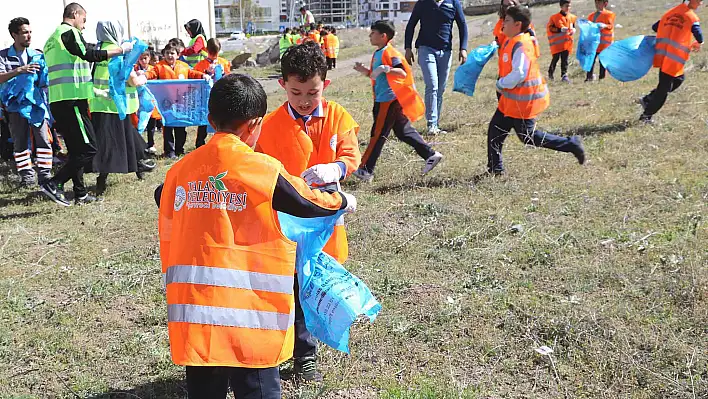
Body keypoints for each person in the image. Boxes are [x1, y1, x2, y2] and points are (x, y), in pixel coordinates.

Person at [156, 73, 356, 399]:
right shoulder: (262, 170)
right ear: (255, 125)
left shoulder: (180, 171)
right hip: (251, 318)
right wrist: (343, 201)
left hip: (198, 318)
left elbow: (161, 196)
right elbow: (306, 202)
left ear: (209, 120)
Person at [256, 42, 361, 381]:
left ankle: (308, 350)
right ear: (282, 85)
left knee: (315, 282)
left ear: (325, 86)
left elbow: (350, 156)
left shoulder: (337, 116)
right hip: (285, 219)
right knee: (290, 284)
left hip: (324, 216)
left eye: (312, 93)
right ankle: (297, 352)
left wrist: (336, 169)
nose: (303, 100)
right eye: (296, 92)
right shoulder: (268, 126)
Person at [40, 2, 131, 206]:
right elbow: (89, 55)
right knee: (89, 149)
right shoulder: (68, 32)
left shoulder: (51, 39)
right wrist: (120, 50)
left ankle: (80, 194)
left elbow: (79, 58)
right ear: (74, 14)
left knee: (76, 149)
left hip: (61, 99)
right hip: (71, 101)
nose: (84, 25)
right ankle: (54, 183)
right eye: (83, 20)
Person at [488, 5, 585, 175]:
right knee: (495, 131)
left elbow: (519, 73)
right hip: (510, 102)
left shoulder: (521, 44)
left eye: (507, 21)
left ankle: (571, 144)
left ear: (518, 24)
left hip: (522, 103)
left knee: (529, 137)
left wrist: (501, 84)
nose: (503, 24)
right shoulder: (513, 40)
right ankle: (495, 169)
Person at [353, 20, 443, 183]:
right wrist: (365, 71)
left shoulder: (390, 52)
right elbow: (375, 75)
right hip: (384, 99)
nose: (370, 35)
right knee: (403, 131)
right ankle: (430, 155)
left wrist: (386, 68)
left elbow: (401, 72)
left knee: (378, 134)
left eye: (373, 33)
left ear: (383, 36)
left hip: (388, 100)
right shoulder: (378, 52)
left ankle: (365, 170)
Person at [88, 20, 154, 199]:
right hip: (116, 105)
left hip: (98, 104)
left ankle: (140, 165)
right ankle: (134, 166)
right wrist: (143, 78)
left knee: (120, 139)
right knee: (116, 142)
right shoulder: (118, 50)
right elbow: (130, 78)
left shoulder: (96, 50)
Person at [0, 17, 53, 188]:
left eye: (30, 32)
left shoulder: (37, 55)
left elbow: (44, 81)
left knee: (43, 139)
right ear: (14, 35)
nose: (29, 36)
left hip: (36, 104)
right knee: (20, 142)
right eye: (24, 33)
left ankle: (45, 175)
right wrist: (18, 71)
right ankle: (27, 177)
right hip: (15, 106)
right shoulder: (3, 57)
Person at [404, 0, 468, 135]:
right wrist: (408, 48)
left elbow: (462, 25)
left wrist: (463, 48)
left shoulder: (453, 3)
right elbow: (411, 24)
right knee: (432, 85)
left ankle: (435, 124)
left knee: (440, 88)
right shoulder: (423, 3)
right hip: (425, 48)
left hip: (445, 50)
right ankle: (431, 125)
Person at [639, 0, 703, 123]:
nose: (700, 4)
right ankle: (646, 116)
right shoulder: (691, 16)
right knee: (664, 89)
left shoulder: (670, 13)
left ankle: (648, 99)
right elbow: (698, 34)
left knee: (679, 79)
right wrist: (700, 42)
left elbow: (655, 27)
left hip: (663, 55)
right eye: (698, 1)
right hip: (672, 58)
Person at [145, 43, 208, 159]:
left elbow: (192, 73)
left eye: (172, 53)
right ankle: (169, 152)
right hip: (166, 103)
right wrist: (144, 76)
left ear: (178, 55)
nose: (170, 55)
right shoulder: (159, 67)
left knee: (180, 128)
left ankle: (179, 149)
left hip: (181, 103)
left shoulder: (183, 66)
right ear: (164, 54)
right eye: (167, 53)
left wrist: (203, 76)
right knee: (168, 128)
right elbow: (151, 73)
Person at [193, 38, 231, 148]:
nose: (214, 56)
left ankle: (220, 141)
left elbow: (229, 78)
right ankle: (200, 142)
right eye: (211, 53)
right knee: (204, 119)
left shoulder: (223, 62)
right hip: (205, 97)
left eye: (216, 53)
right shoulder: (201, 64)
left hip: (220, 95)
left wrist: (224, 74)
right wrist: (205, 73)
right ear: (207, 50)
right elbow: (195, 76)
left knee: (221, 119)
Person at [134, 48, 161, 154]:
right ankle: (138, 144)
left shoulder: (152, 69)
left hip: (150, 100)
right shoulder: (135, 69)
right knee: (139, 123)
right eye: (141, 59)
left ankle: (151, 144)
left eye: (145, 58)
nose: (143, 61)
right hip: (138, 100)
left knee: (151, 123)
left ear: (149, 58)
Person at [546, 0, 577, 83]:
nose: (568, 8)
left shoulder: (572, 17)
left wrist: (574, 29)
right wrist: (560, 29)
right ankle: (550, 74)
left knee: (565, 60)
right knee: (555, 59)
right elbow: (550, 28)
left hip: (567, 43)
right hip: (557, 44)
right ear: (561, 6)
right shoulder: (554, 17)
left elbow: (573, 26)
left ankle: (564, 75)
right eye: (566, 6)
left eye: (569, 6)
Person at [585, 0, 616, 81]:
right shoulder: (591, 16)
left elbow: (610, 26)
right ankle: (589, 77)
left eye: (599, 2)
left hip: (604, 44)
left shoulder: (609, 14)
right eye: (596, 2)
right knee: (591, 60)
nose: (597, 4)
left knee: (602, 62)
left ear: (605, 3)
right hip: (594, 43)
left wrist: (604, 26)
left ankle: (601, 77)